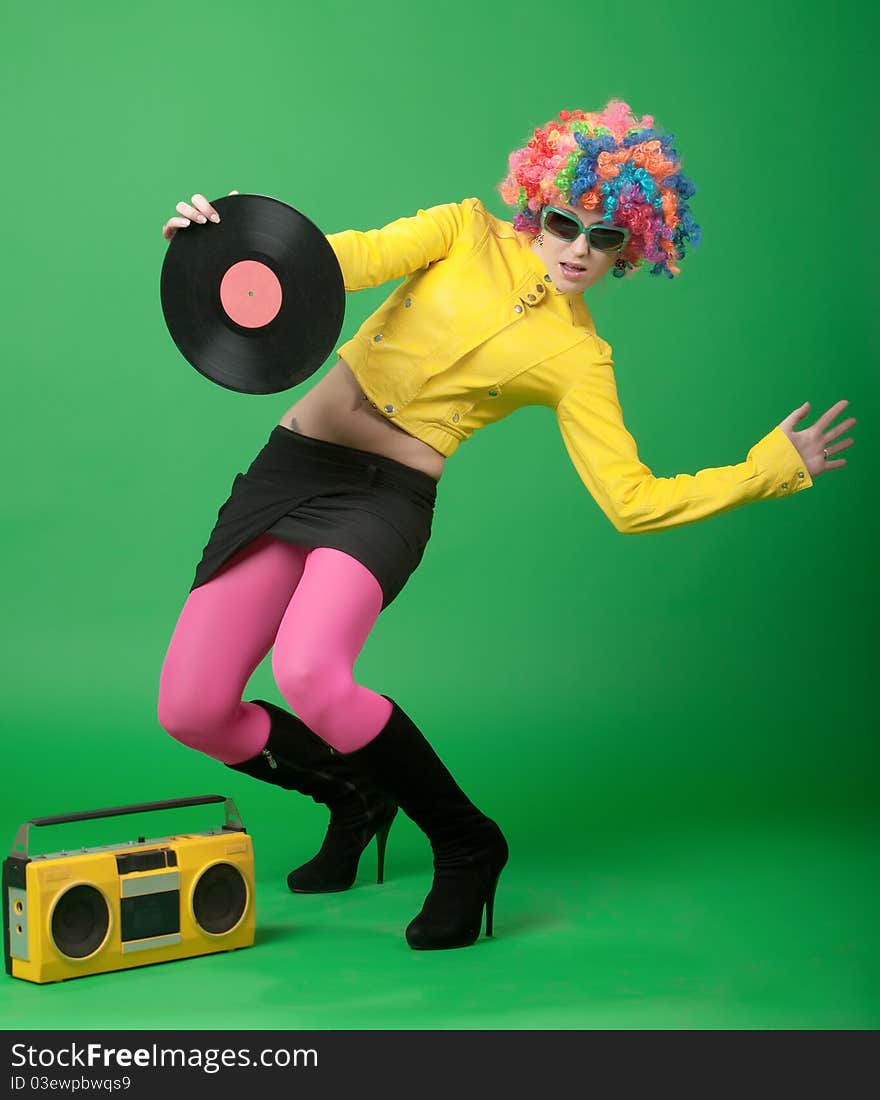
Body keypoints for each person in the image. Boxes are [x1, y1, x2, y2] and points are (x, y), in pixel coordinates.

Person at [156, 99, 856, 951]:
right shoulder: (461, 230)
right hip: (294, 465)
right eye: (565, 222)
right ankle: (350, 795)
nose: (577, 250)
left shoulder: (580, 356)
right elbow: (332, 264)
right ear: (538, 201)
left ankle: (466, 843)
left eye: (605, 238)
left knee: (310, 669)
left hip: (384, 498)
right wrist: (230, 242)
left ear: (634, 247)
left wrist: (768, 470)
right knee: (192, 708)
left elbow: (630, 499)